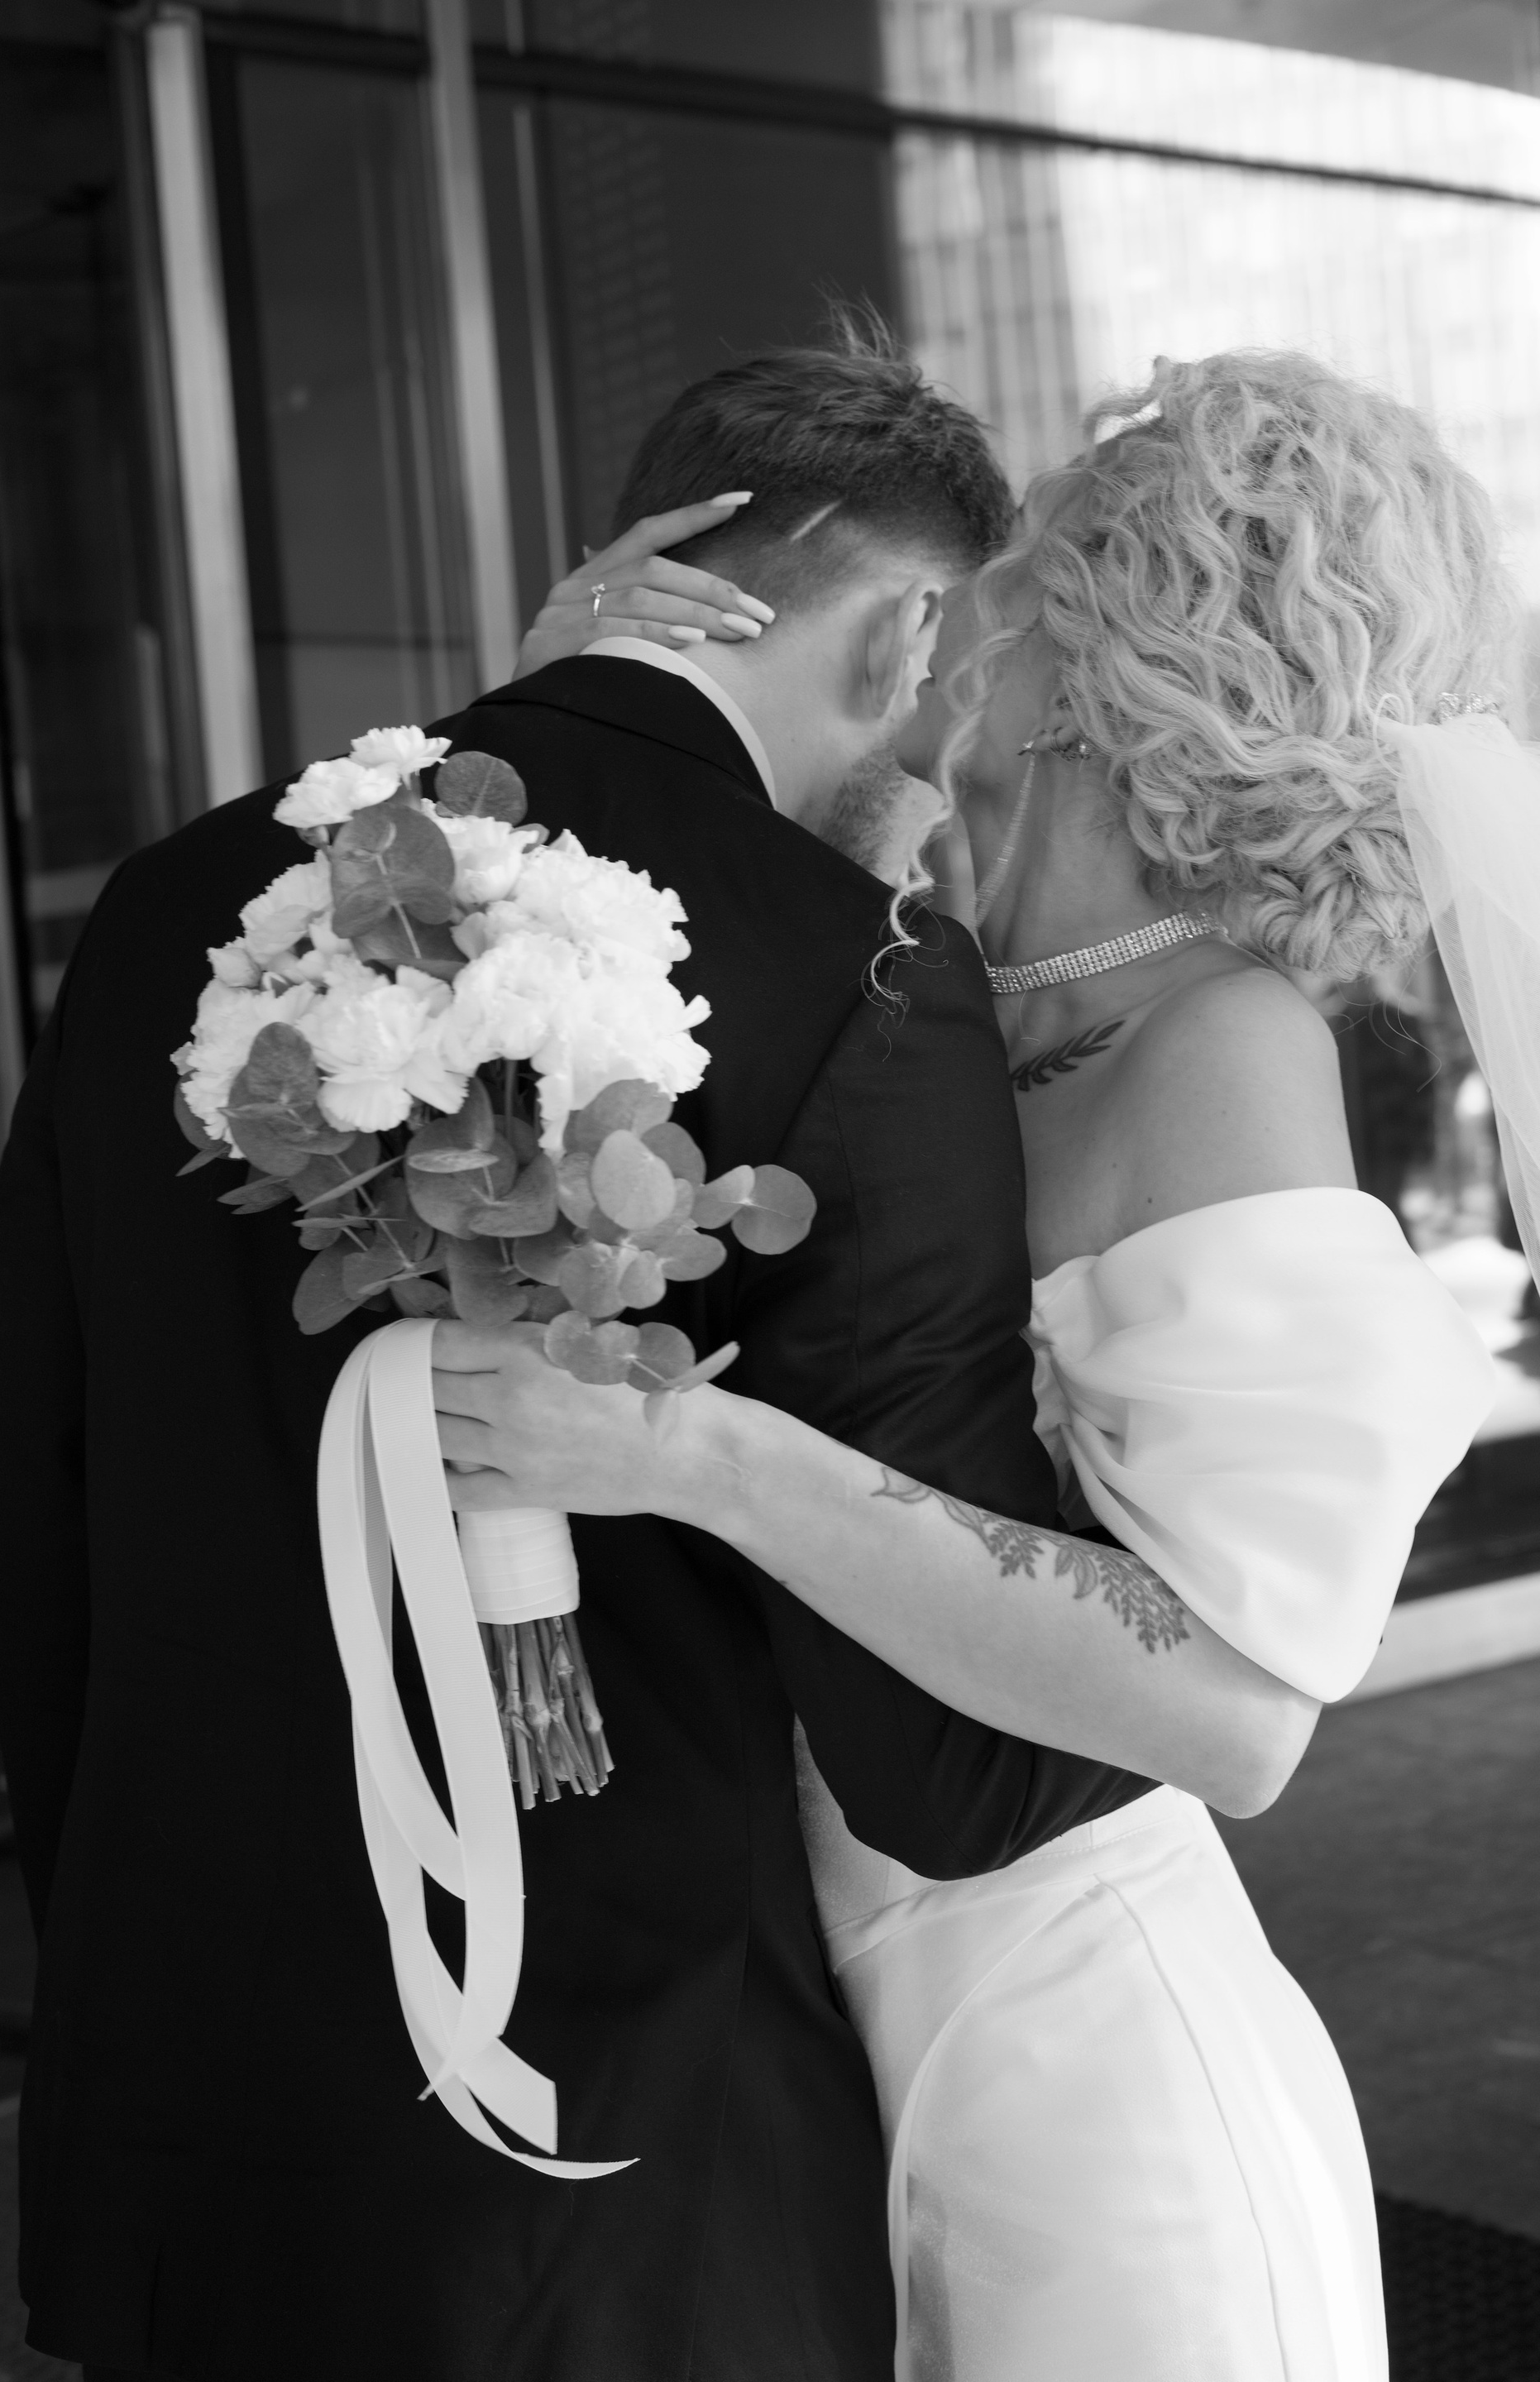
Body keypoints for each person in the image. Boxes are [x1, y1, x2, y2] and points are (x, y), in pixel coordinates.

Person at [0, 334, 1188, 2382]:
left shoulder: (179, 901)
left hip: (189, 2088)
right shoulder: (857, 976)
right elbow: (945, 1759)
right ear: (905, 635)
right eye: (965, 669)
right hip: (612, 2146)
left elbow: (48, 1506)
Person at [431, 352, 1506, 2380]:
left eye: (1013, 591)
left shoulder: (1226, 1043)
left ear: (1107, 658)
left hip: (1093, 2088)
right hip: (832, 2032)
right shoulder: (955, 961)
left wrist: (698, 1457)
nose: (952, 633)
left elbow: (1236, 1713)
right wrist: (585, 689)